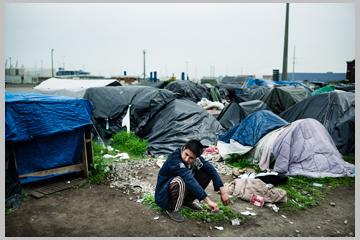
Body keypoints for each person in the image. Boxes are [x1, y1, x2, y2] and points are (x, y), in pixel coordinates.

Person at [155, 139, 230, 222]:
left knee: (206, 173)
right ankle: (171, 209)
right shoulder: (175, 160)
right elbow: (189, 180)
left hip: (180, 189)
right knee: (181, 181)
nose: (187, 159)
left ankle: (186, 201)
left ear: (196, 157)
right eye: (186, 154)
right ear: (183, 148)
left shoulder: (196, 159)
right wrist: (208, 201)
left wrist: (223, 192)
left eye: (191, 158)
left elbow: (211, 169)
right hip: (164, 195)